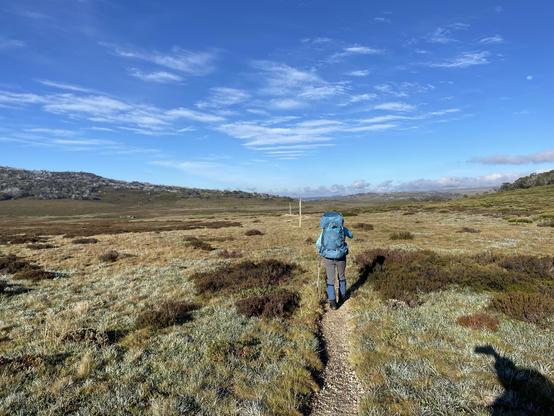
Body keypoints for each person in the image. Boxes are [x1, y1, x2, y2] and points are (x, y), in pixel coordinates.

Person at [315, 211, 353, 310]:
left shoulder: (324, 230)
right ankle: (342, 297)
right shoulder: (342, 229)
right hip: (341, 256)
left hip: (328, 257)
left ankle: (333, 303)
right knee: (341, 276)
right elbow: (351, 235)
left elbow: (318, 243)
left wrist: (322, 251)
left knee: (330, 279)